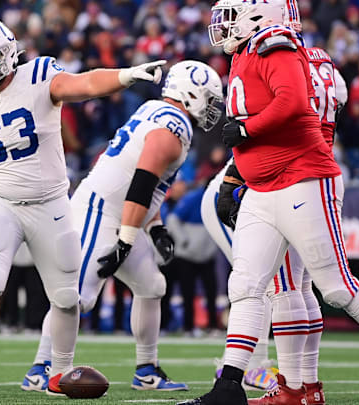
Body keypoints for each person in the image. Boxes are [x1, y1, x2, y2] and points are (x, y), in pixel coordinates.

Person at [0, 19, 166, 399]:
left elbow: (84, 84)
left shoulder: (38, 76)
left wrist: (126, 75)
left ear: (8, 55)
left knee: (68, 297)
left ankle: (59, 372)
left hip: (50, 202)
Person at [180, 0, 359, 404]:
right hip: (262, 187)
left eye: (233, 15)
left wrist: (247, 128)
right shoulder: (246, 54)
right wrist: (236, 174)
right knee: (247, 285)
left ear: (260, 15)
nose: (224, 25)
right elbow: (246, 128)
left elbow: (290, 105)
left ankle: (300, 385)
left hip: (303, 180)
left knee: (336, 288)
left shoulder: (277, 43)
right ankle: (233, 388)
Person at [20, 60, 224, 394]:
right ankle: (41, 368)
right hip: (98, 216)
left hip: (119, 214)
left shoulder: (156, 111)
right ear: (192, 94)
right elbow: (141, 182)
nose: (212, 108)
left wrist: (154, 228)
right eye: (210, 99)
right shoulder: (173, 128)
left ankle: (146, 369)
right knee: (74, 298)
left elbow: (142, 182)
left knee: (152, 286)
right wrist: (127, 240)